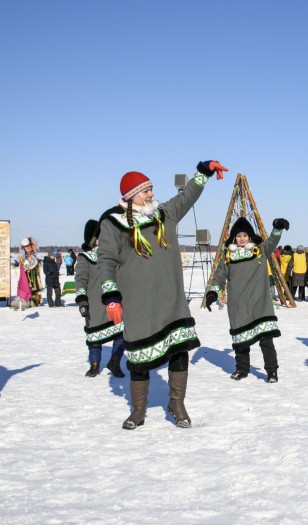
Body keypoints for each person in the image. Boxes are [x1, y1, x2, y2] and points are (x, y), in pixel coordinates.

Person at [97, 161, 226, 430]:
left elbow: (187, 196)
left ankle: (177, 403)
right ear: (129, 195)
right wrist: (111, 295)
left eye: (151, 189)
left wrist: (203, 172)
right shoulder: (113, 223)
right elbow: (106, 260)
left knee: (179, 351)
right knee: (140, 358)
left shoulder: (164, 214)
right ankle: (139, 410)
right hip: (139, 303)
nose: (150, 195)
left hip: (172, 301)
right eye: (144, 191)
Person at [206, 217, 289, 382]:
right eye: (238, 236)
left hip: (260, 303)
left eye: (244, 235)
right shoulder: (228, 255)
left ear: (250, 236)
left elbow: (272, 241)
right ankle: (242, 369)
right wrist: (213, 293)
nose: (242, 238)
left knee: (266, 341)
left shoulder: (260, 250)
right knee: (240, 343)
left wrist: (277, 228)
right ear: (234, 238)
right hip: (239, 305)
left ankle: (272, 371)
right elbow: (219, 276)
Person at [75, 219, 125, 378]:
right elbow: (80, 279)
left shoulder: (114, 256)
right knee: (94, 339)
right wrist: (82, 300)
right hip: (95, 305)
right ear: (93, 239)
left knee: (120, 334)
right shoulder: (84, 258)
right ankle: (94, 366)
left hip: (113, 302)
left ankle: (114, 363)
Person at [19, 237, 43, 307]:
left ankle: (34, 302)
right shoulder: (25, 256)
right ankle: (28, 301)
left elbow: (35, 263)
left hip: (33, 274)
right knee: (28, 287)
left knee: (34, 287)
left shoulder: (32, 255)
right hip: (27, 273)